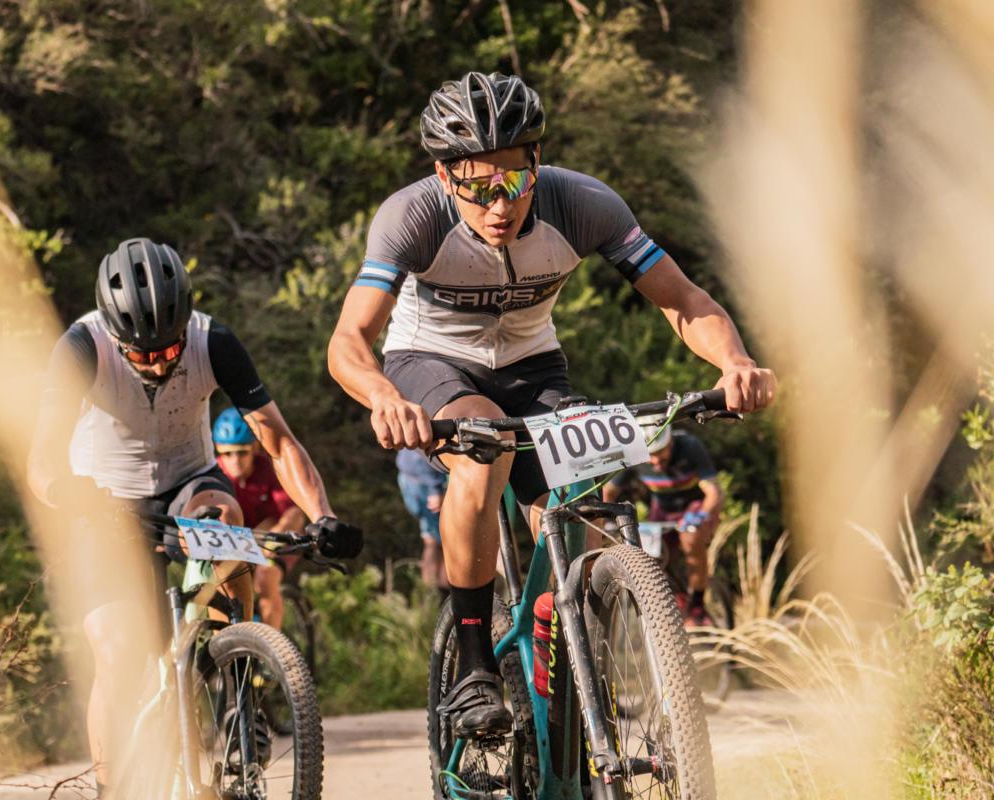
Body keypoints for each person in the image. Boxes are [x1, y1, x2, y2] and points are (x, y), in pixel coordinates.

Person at [326, 71, 776, 739]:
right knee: (484, 455)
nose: (500, 204)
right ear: (445, 177)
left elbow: (682, 300)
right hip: (430, 361)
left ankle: (560, 655)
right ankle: (474, 664)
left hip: (534, 365)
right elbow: (348, 341)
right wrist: (384, 398)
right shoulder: (411, 216)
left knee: (581, 504)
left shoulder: (583, 204)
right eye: (478, 187)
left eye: (514, 180)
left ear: (536, 161)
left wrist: (734, 362)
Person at [26, 237, 360, 795]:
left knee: (224, 515)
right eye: (143, 354)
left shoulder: (212, 341)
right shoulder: (83, 346)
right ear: (116, 336)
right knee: (116, 650)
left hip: (188, 481)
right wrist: (75, 498)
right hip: (103, 496)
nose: (160, 362)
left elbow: (277, 442)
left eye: (170, 348)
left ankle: (239, 681)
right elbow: (40, 462)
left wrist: (321, 514)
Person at [602, 421, 722, 627]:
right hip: (663, 510)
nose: (656, 461)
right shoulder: (632, 455)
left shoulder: (690, 446)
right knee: (648, 555)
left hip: (693, 506)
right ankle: (674, 596)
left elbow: (714, 492)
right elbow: (608, 492)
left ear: (671, 442)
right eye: (651, 454)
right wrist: (604, 520)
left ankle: (697, 606)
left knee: (690, 538)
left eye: (661, 453)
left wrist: (701, 516)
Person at [212, 407, 307, 629]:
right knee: (219, 586)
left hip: (271, 538)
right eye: (227, 453)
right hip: (235, 543)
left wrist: (275, 536)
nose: (235, 460)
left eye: (242, 452)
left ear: (254, 448)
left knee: (266, 580)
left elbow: (294, 514)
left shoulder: (269, 469)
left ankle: (271, 645)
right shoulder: (213, 473)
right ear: (217, 449)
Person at [395, 448, 449, 594]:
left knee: (431, 538)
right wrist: (435, 489)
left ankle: (432, 592)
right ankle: (444, 592)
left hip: (410, 478)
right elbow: (423, 452)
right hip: (424, 483)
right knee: (447, 540)